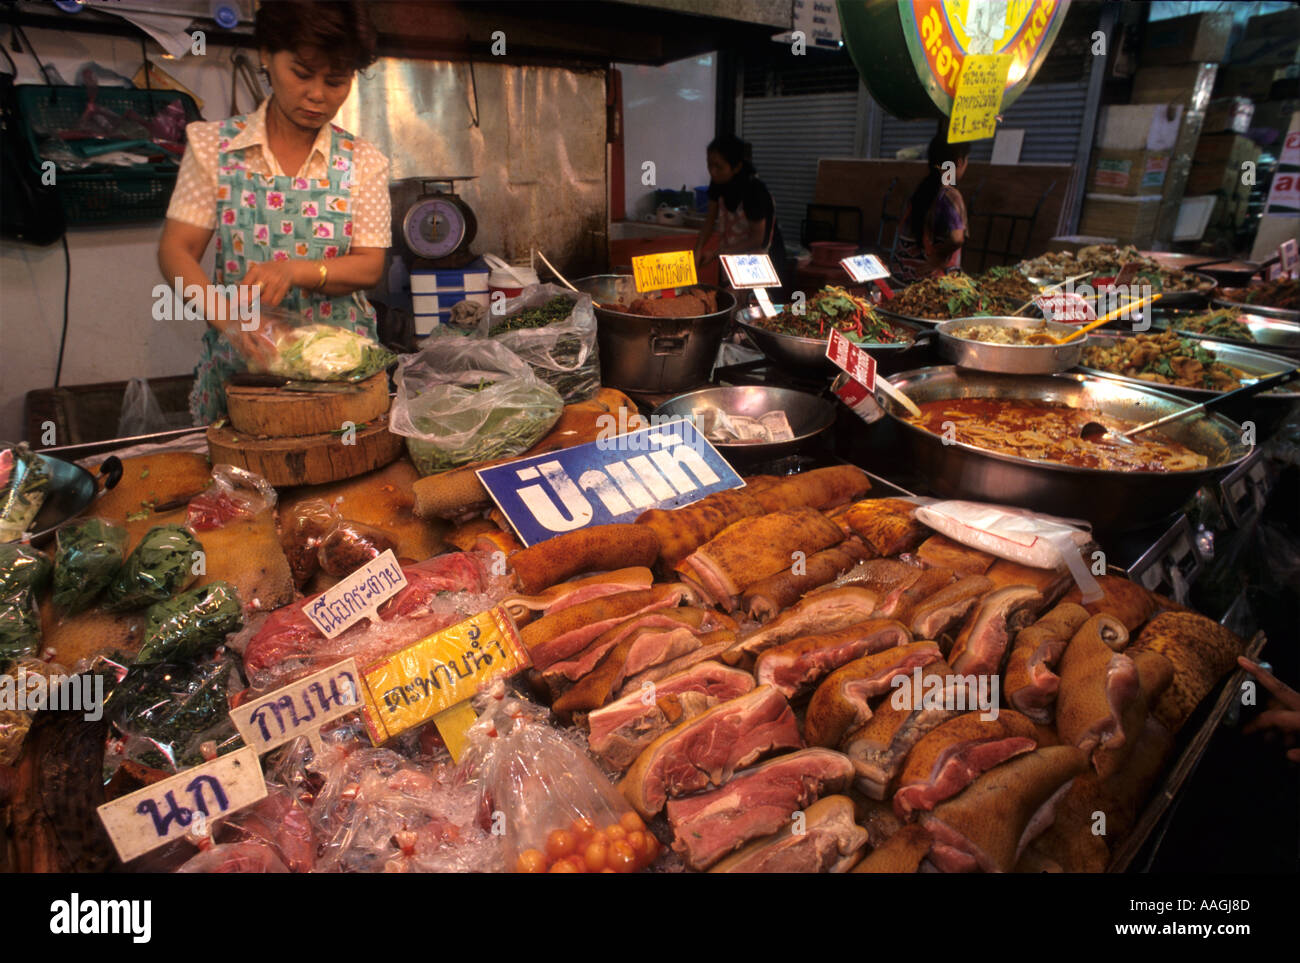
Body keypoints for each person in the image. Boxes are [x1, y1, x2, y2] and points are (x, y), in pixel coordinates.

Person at [158, 0, 390, 424]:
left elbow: (369, 267)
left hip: (342, 375)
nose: (318, 95)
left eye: (337, 81)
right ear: (267, 54)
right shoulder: (215, 149)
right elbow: (176, 251)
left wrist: (295, 271)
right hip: (248, 379)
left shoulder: (363, 161)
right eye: (301, 73)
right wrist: (230, 320)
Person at [694, 135, 791, 295]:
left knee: (754, 309)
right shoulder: (717, 183)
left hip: (761, 262)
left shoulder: (754, 191)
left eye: (719, 167)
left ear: (737, 167)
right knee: (730, 302)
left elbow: (757, 239)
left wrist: (717, 252)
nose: (712, 171)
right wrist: (697, 250)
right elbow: (709, 221)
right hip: (732, 256)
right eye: (709, 165)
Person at [891, 134, 971, 284]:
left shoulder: (920, 190)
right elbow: (957, 238)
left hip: (902, 278)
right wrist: (937, 259)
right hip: (930, 286)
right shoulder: (950, 195)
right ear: (959, 162)